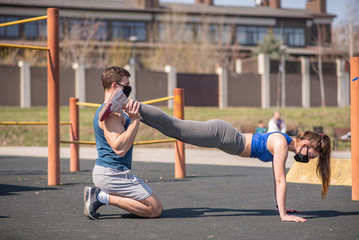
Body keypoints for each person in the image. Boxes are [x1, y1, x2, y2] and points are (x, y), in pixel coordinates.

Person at [99, 71, 331, 223]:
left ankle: (125, 105)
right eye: (313, 155)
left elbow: (276, 179)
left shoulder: (284, 143)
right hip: (223, 135)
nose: (311, 159)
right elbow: (281, 180)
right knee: (175, 127)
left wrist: (282, 207)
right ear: (307, 144)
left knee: (173, 130)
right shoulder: (281, 143)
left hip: (224, 138)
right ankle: (125, 103)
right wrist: (282, 215)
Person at [84, 66, 162, 220]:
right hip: (112, 173)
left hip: (111, 172)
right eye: (126, 85)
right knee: (155, 209)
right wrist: (134, 120)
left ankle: (101, 196)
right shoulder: (111, 113)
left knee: (150, 207)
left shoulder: (115, 110)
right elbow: (119, 148)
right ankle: (100, 197)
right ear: (115, 85)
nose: (129, 88)